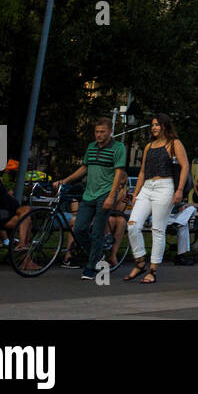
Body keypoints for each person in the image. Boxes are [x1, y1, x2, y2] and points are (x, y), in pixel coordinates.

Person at [51, 118, 127, 281]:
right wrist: (64, 181)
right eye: (96, 132)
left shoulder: (118, 148)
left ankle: (91, 267)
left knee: (98, 231)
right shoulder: (91, 147)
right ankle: (98, 254)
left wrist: (111, 196)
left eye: (102, 132)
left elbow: (119, 172)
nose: (99, 135)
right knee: (79, 228)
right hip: (89, 194)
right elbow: (84, 167)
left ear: (110, 132)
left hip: (105, 194)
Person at [124, 114, 190, 285]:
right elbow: (142, 172)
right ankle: (140, 262)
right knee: (132, 225)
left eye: (157, 125)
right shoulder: (149, 146)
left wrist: (180, 190)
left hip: (165, 186)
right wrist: (135, 194)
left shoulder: (174, 143)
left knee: (158, 229)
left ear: (165, 126)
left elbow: (185, 166)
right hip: (147, 187)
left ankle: (153, 270)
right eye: (152, 125)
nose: (153, 128)